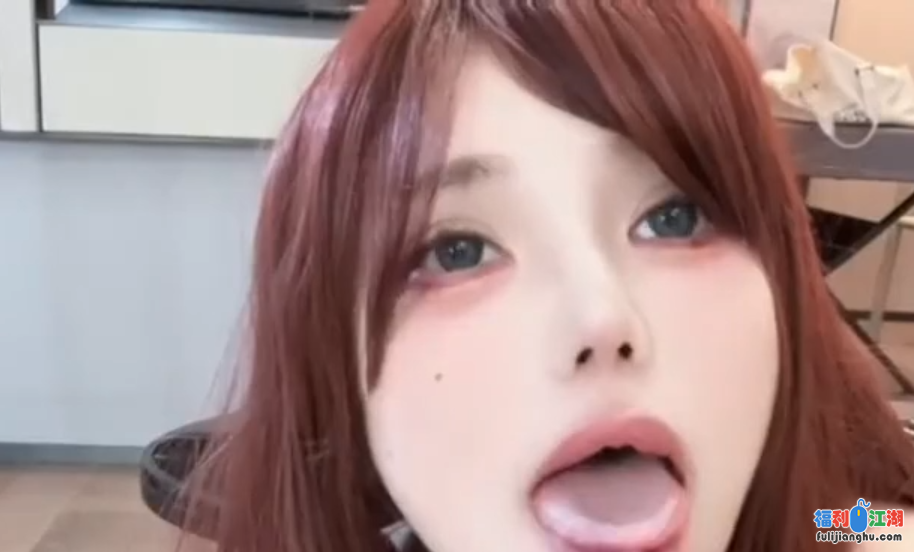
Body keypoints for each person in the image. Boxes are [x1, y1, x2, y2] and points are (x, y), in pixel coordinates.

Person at [182, 1, 914, 551]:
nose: (601, 318)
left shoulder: (820, 515)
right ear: (336, 377)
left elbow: (845, 517)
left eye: (675, 217)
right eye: (457, 251)